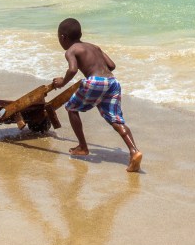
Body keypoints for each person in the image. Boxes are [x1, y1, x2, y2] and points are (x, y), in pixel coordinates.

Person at [53, 18, 142, 172]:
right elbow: (112, 66)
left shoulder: (71, 51)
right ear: (80, 34)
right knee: (115, 119)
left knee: (71, 108)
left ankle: (82, 146)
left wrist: (62, 82)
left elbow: (73, 69)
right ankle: (134, 151)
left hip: (95, 82)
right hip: (112, 83)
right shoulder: (95, 47)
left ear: (63, 38)